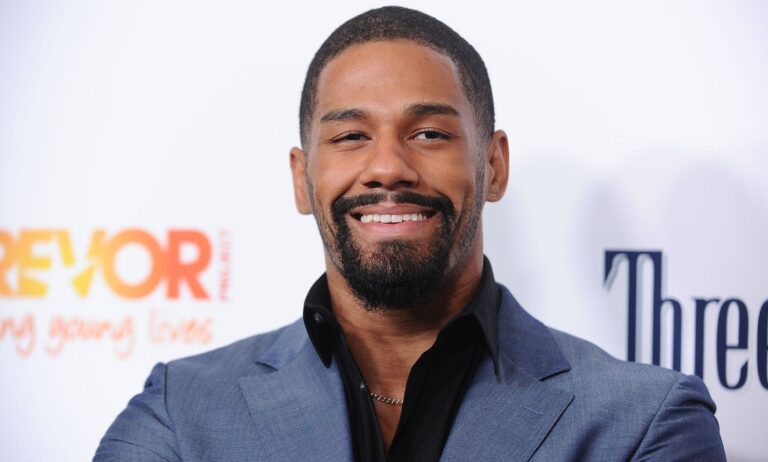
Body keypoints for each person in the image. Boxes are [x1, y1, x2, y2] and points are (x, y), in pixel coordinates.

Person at [95, 6, 726, 461]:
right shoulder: (182, 411)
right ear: (300, 178)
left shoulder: (642, 422)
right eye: (350, 137)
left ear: (494, 165)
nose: (388, 167)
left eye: (429, 133)